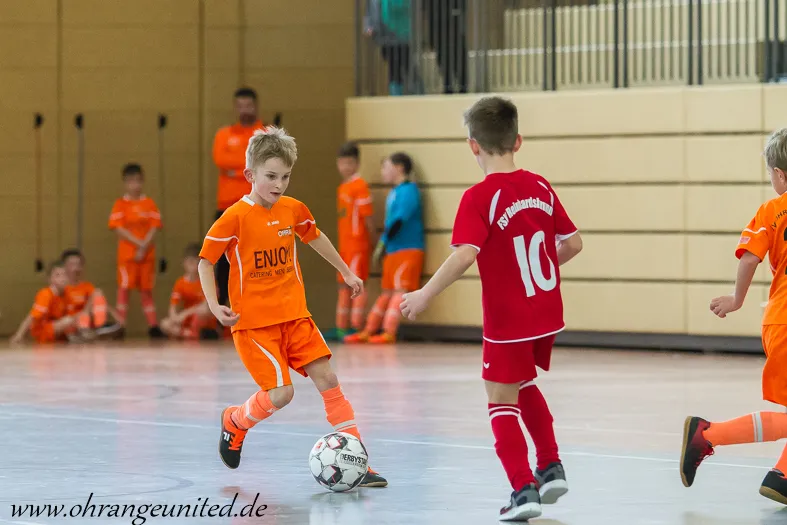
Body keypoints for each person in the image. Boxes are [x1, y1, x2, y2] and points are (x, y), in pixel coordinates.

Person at [399, 96, 583, 520]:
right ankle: (550, 466)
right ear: (517, 140)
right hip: (545, 311)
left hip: (509, 318)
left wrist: (424, 294)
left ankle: (523, 489)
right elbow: (573, 244)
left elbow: (465, 255)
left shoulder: (479, 197)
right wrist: (536, 271)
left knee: (499, 399)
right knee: (523, 381)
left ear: (472, 145)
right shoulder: (540, 186)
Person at [198, 127, 387, 487]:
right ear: (250, 174)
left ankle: (359, 463)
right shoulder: (234, 217)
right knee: (282, 394)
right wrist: (214, 303)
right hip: (255, 325)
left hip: (296, 316)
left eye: (285, 176)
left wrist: (346, 272)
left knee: (328, 379)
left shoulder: (292, 209)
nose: (279, 184)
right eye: (271, 176)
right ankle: (235, 420)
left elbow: (315, 236)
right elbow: (205, 262)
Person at [681, 127, 787, 505]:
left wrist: (737, 299)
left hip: (779, 321)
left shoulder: (771, 211)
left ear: (779, 174)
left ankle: (777, 476)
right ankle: (712, 438)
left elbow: (750, 257)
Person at [344, 152, 423, 344]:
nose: (383, 172)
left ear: (399, 168)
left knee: (399, 290)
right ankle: (369, 330)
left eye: (386, 167)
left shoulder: (408, 191)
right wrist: (383, 245)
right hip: (393, 250)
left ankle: (389, 331)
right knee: (387, 291)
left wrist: (383, 241)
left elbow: (399, 221)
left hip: (408, 249)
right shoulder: (395, 192)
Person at [212, 87, 265, 306]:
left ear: (256, 106)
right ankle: (223, 305)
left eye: (248, 105)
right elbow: (220, 160)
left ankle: (257, 303)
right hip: (227, 205)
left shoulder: (264, 133)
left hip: (256, 204)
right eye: (240, 106)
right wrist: (248, 166)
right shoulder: (223, 134)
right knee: (223, 257)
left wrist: (234, 170)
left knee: (257, 255)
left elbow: (263, 161)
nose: (244, 110)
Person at [324, 142, 375, 341]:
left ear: (357, 163)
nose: (345, 167)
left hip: (357, 245)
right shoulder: (343, 187)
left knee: (356, 284)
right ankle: (341, 327)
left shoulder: (360, 186)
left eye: (350, 163)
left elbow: (368, 217)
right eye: (342, 163)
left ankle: (356, 326)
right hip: (344, 246)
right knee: (343, 286)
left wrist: (372, 241)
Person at [108, 163, 164, 338]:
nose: (135, 185)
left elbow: (155, 227)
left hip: (146, 256)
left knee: (146, 291)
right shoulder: (120, 204)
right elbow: (118, 228)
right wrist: (138, 243)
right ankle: (120, 325)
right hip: (127, 256)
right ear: (125, 183)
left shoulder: (149, 204)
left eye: (138, 181)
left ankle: (153, 326)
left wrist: (144, 246)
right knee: (124, 290)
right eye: (131, 181)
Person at [61, 248, 123, 339]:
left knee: (98, 293)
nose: (76, 268)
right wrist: (84, 313)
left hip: (86, 322)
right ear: (64, 267)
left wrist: (116, 315)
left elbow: (100, 300)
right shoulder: (61, 288)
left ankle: (100, 327)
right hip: (69, 323)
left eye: (78, 264)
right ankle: (88, 332)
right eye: (72, 264)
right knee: (82, 315)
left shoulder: (86, 286)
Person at [160, 244, 218, 340]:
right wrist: (174, 318)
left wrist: (184, 314)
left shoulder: (208, 281)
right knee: (165, 323)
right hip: (186, 320)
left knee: (203, 310)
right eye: (190, 262)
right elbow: (173, 306)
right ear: (184, 263)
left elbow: (207, 305)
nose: (192, 266)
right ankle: (188, 333)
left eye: (195, 262)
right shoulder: (180, 283)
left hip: (202, 318)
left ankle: (189, 332)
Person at [11, 262, 77, 344]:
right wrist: (19, 335)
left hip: (56, 328)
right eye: (57, 275)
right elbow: (32, 317)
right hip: (42, 331)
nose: (62, 278)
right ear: (50, 279)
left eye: (65, 275)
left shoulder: (68, 294)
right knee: (68, 320)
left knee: (77, 319)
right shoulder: (46, 294)